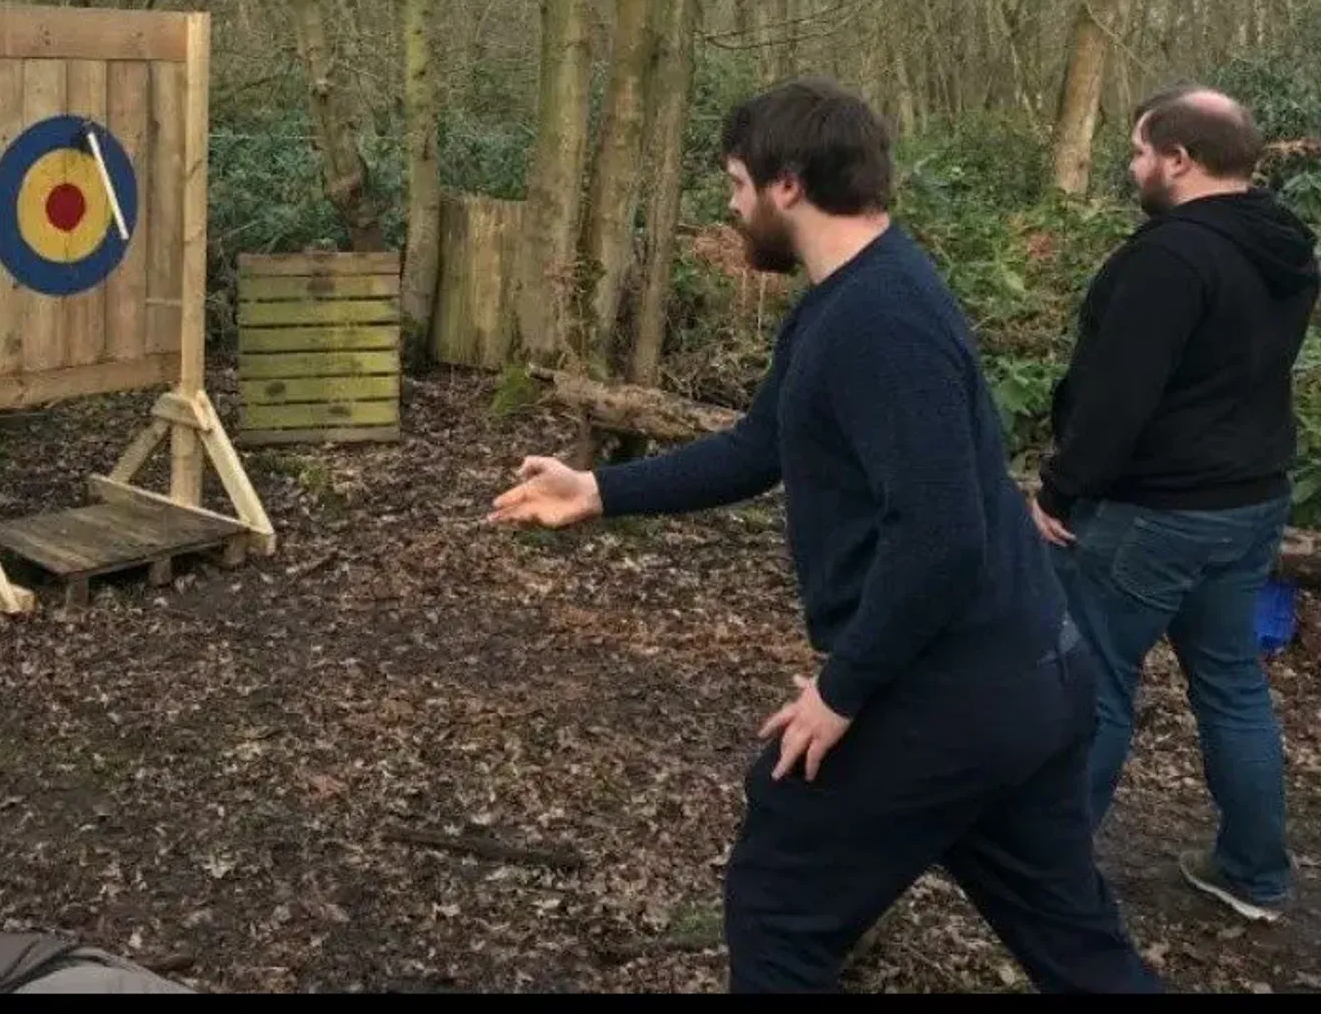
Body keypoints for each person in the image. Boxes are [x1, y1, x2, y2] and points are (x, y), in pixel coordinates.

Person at [489, 78, 1156, 994]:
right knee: (1079, 951)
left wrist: (843, 690)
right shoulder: (850, 296)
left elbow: (942, 537)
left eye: (736, 182)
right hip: (1025, 679)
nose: (731, 206)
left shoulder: (881, 323)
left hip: (957, 692)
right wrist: (598, 489)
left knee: (778, 908)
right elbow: (760, 444)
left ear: (789, 183)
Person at [1030, 86, 1318, 924]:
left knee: (1093, 679)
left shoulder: (1170, 259)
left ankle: (1048, 873)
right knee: (1231, 681)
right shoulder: (1286, 246)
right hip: (1250, 501)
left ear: (1179, 159)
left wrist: (1061, 487)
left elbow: (1116, 396)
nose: (1133, 167)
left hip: (1153, 510)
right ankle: (1254, 870)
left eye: (1138, 151)